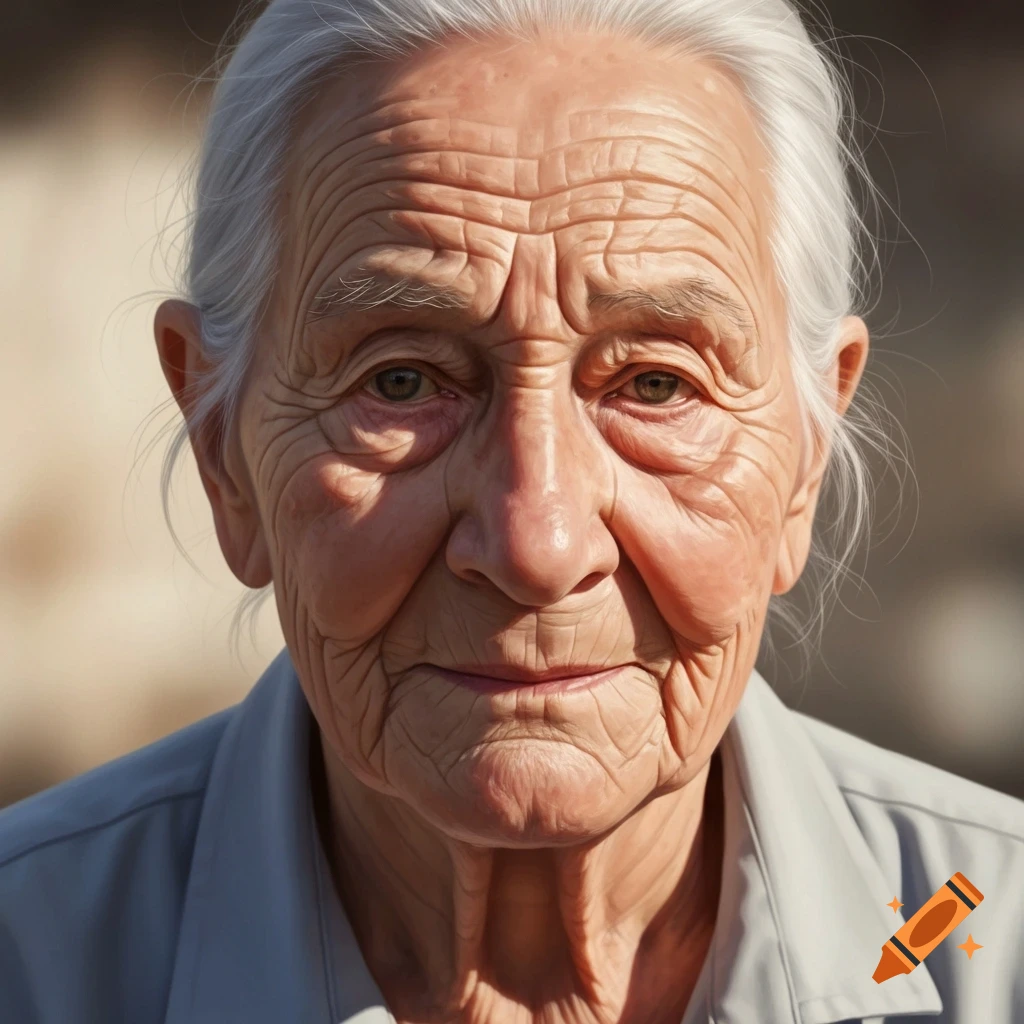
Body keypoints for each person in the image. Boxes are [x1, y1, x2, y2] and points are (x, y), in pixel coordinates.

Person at [1, 0, 1022, 1021]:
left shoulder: (989, 935)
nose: (538, 543)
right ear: (222, 447)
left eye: (657, 385)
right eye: (399, 381)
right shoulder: (33, 960)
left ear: (805, 453)